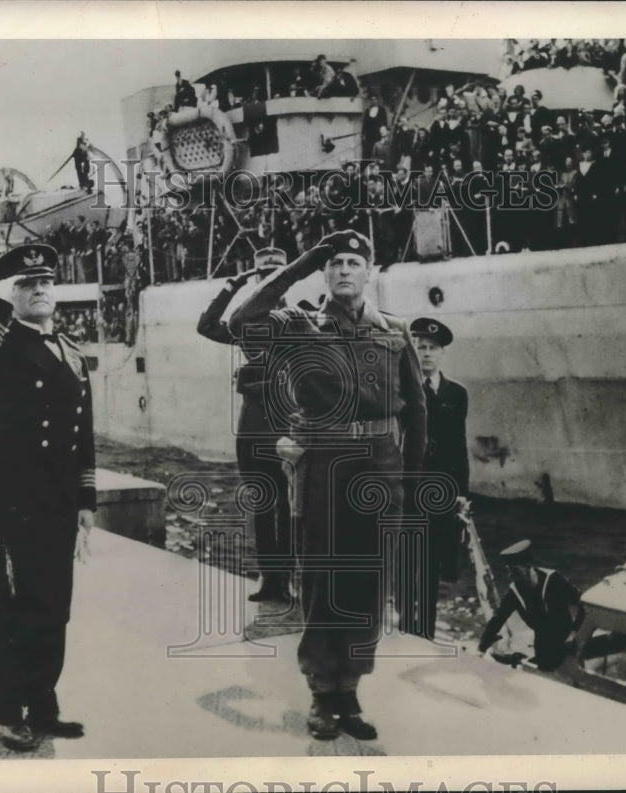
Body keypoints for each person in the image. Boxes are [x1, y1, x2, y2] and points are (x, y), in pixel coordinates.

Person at [228, 229, 426, 742]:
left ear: (368, 272)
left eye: (352, 262)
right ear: (324, 271)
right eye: (333, 262)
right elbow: (241, 320)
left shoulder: (395, 331)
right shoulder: (296, 325)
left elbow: (418, 414)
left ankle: (350, 689)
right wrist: (297, 264)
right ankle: (321, 692)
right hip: (325, 466)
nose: (342, 270)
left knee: (369, 582)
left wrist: (413, 479)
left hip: (382, 469)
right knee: (323, 579)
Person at [0, 244, 96, 752]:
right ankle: (10, 713)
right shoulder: (0, 344)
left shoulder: (72, 351)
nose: (39, 289)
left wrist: (86, 501)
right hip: (11, 500)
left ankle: (43, 704)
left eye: (45, 281)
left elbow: (83, 432)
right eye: (25, 283)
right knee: (10, 609)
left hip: (58, 502)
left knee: (53, 606)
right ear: (9, 294)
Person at [196, 248, 293, 602]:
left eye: (276, 273)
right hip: (254, 424)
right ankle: (271, 579)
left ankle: (290, 580)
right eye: (262, 274)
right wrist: (229, 287)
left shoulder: (301, 317)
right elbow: (206, 326)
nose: (268, 280)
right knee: (264, 503)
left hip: (288, 422)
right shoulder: (244, 321)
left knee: (292, 507)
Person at [399, 318, 469, 639]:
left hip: (439, 491)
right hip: (407, 489)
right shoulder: (401, 391)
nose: (426, 354)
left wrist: (461, 494)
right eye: (420, 348)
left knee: (430, 564)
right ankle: (403, 625)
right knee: (405, 561)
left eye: (432, 349)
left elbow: (459, 446)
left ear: (442, 354)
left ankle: (424, 632)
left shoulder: (457, 393)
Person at [478, 539, 585, 671]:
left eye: (515, 571)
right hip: (542, 643)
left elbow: (583, 603)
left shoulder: (553, 580)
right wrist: (481, 648)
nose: (512, 576)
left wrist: (575, 632)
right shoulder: (515, 592)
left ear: (528, 566)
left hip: (567, 641)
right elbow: (498, 619)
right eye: (509, 571)